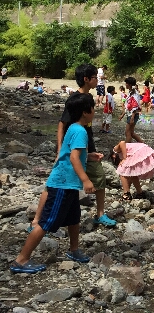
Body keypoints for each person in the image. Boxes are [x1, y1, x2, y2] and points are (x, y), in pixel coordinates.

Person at [10, 93, 96, 274]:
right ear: (85, 112)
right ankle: (21, 260)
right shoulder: (80, 131)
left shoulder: (72, 127)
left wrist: (88, 156)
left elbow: (69, 154)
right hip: (64, 184)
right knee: (46, 222)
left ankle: (74, 250)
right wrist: (86, 180)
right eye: (93, 108)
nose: (94, 111)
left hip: (68, 184)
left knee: (74, 219)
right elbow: (73, 158)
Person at [32, 64, 116, 230]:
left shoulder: (88, 99)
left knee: (99, 177)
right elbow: (61, 124)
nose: (97, 80)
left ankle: (99, 214)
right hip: (73, 149)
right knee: (54, 184)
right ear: (86, 79)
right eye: (94, 78)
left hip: (86, 147)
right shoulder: (75, 101)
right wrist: (59, 150)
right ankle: (36, 220)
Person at [118, 76, 143, 143]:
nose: (125, 85)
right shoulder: (130, 92)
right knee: (131, 133)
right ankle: (142, 144)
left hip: (133, 115)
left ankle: (126, 148)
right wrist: (122, 114)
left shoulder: (135, 93)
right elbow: (127, 106)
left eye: (126, 83)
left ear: (129, 84)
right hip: (130, 114)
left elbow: (135, 106)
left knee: (127, 132)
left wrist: (132, 117)